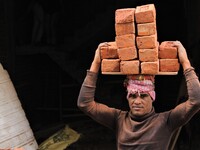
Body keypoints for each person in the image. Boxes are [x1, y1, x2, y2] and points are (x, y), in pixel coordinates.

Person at [77, 41, 200, 149]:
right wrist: (96, 62)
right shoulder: (119, 119)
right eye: (133, 96)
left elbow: (196, 100)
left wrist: (185, 62)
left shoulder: (166, 121)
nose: (137, 101)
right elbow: (85, 104)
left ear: (152, 97)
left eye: (143, 96)